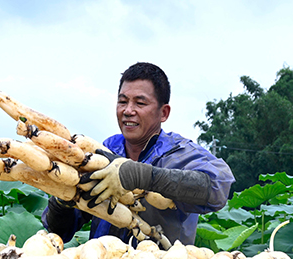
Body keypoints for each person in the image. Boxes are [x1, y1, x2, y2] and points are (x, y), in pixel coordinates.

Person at [42, 62, 234, 246]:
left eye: (140, 103)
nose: (128, 111)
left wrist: (142, 176)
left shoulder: (179, 153)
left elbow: (219, 186)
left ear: (164, 113)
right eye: (122, 101)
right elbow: (61, 230)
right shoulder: (104, 149)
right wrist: (62, 199)